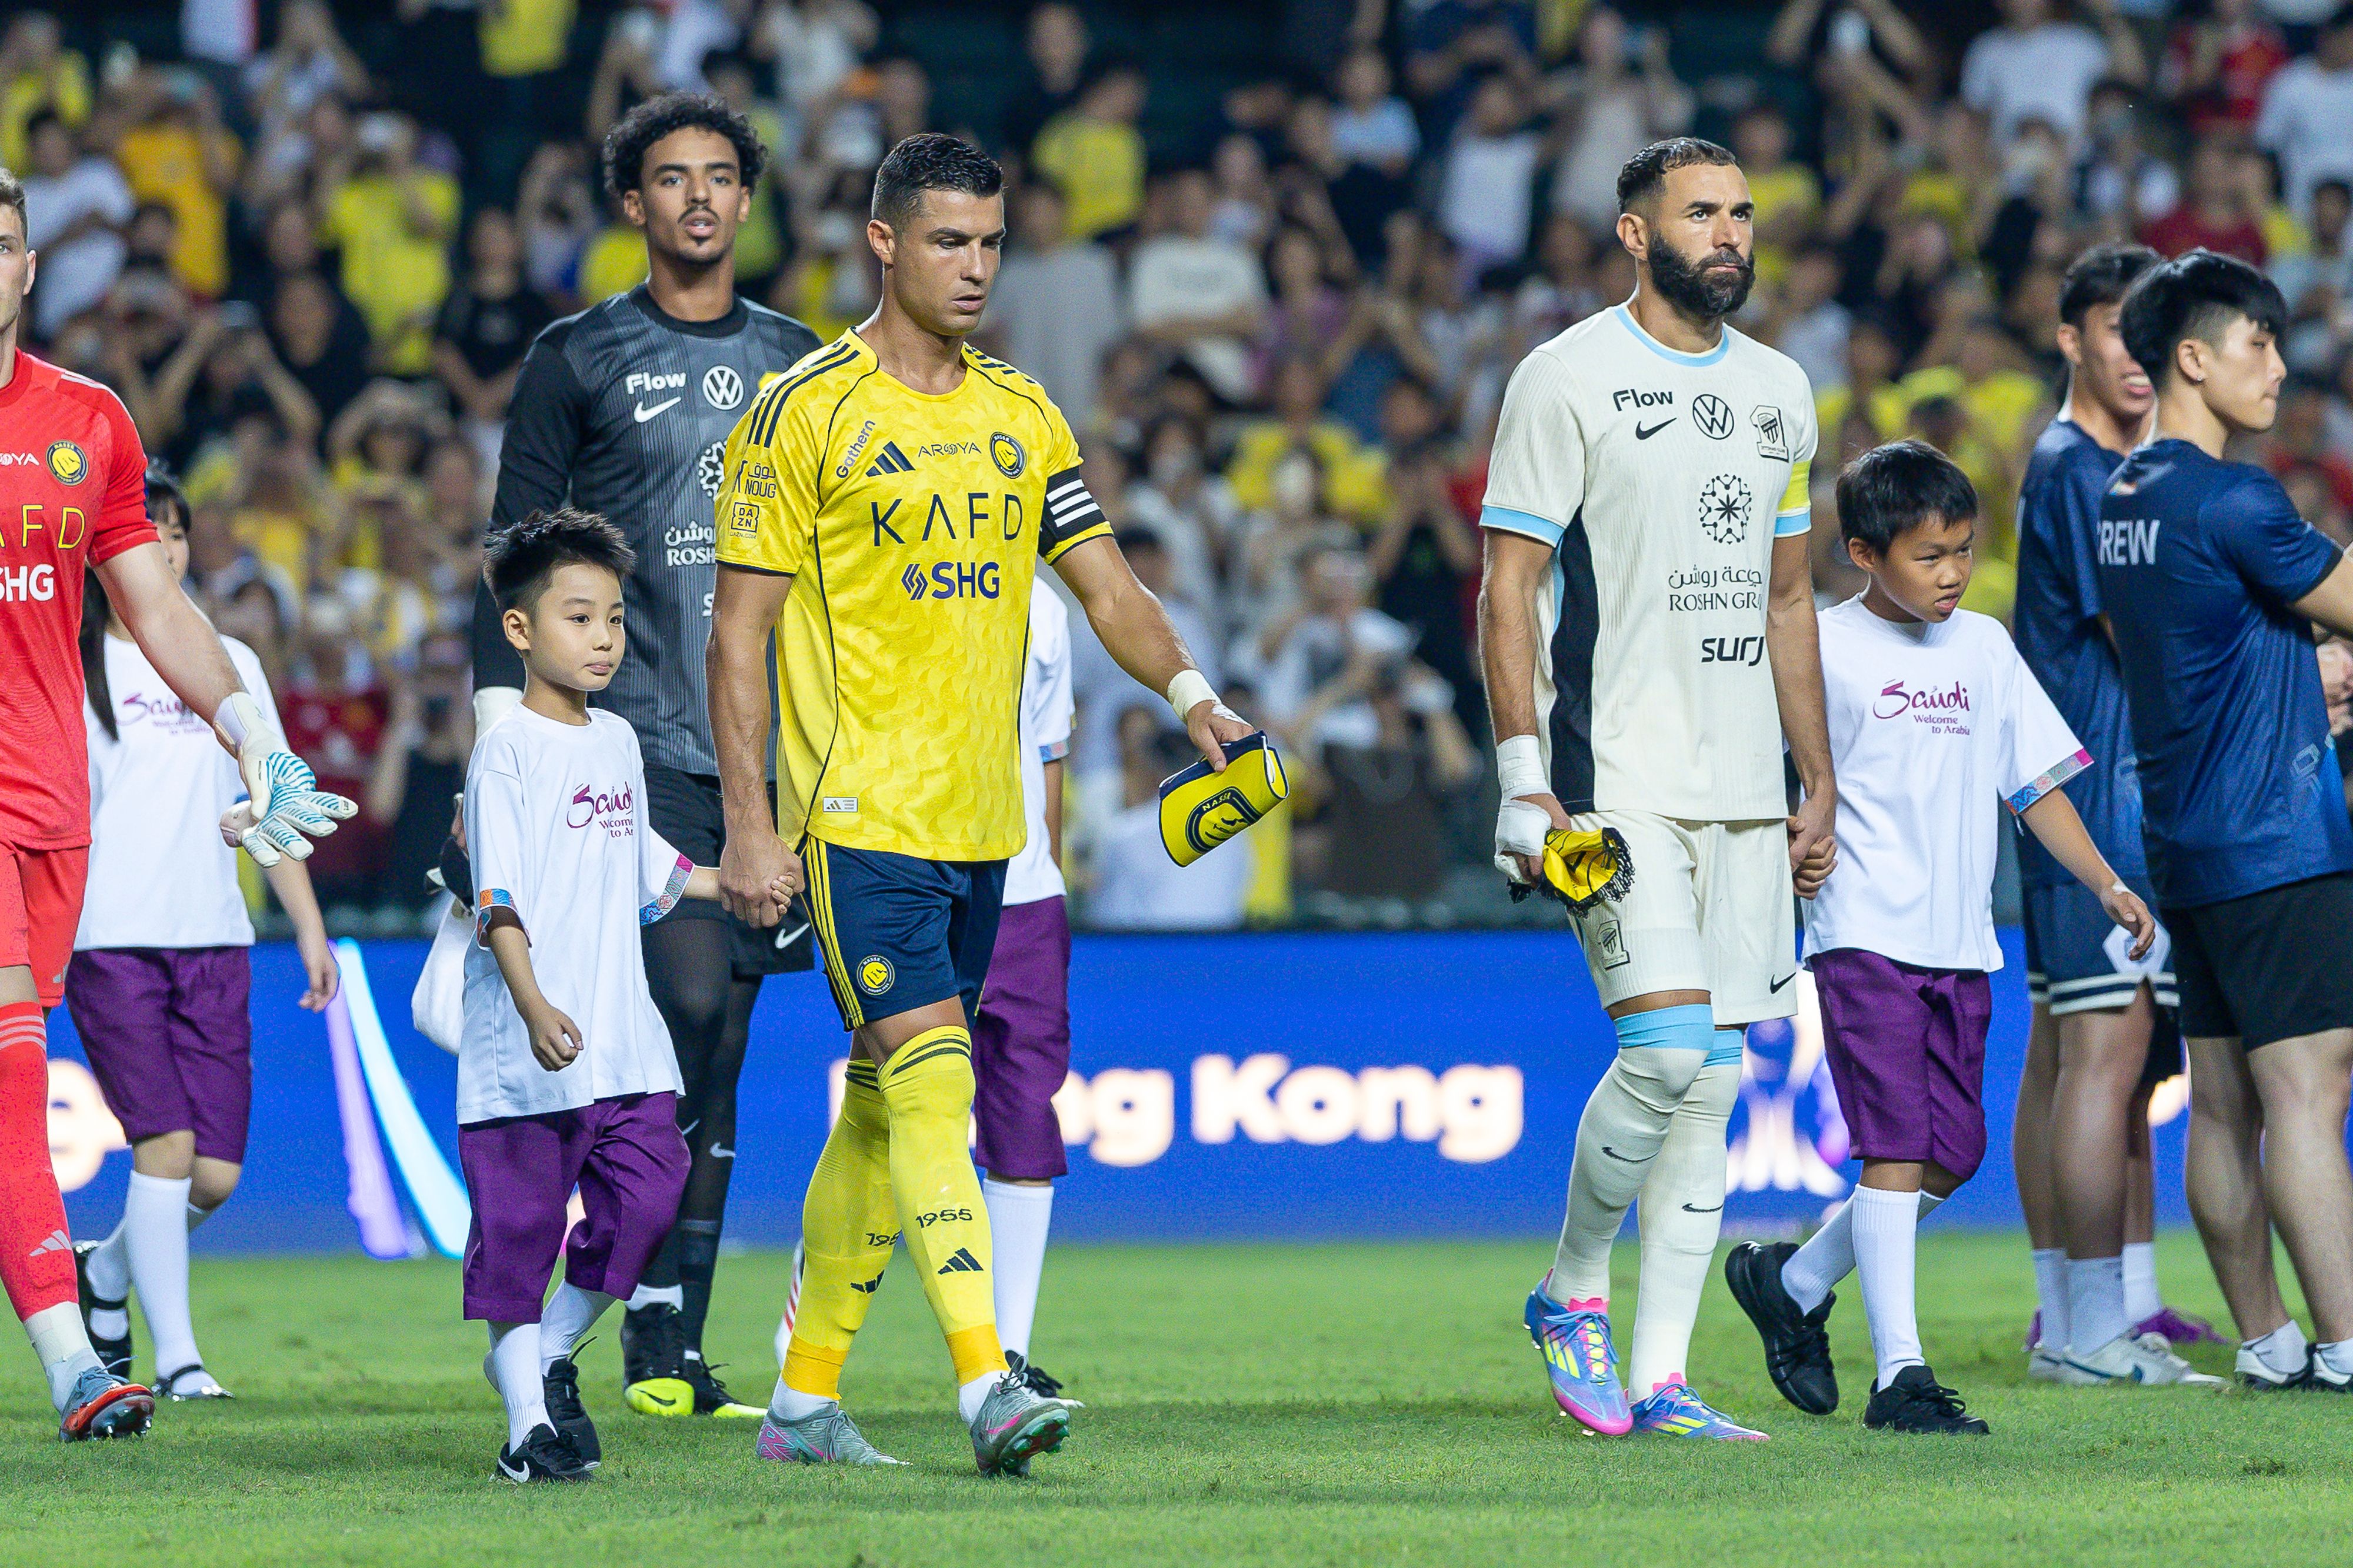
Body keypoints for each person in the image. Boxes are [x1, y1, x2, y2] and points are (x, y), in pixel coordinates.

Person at [706, 132, 1249, 1473]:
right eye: (949, 240)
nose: (976, 266)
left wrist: (1195, 698)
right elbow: (738, 632)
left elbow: (1107, 584)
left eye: (993, 242)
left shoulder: (1022, 412)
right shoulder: (802, 409)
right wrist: (751, 826)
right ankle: (985, 1382)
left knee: (881, 1107)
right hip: (856, 821)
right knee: (938, 1085)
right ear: (883, 242)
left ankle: (800, 1404)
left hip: (984, 829)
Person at [468, 91, 822, 1422]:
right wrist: (500, 739)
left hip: (769, 754)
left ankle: (668, 1327)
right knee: (683, 1007)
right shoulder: (577, 356)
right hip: (635, 750)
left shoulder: (801, 364)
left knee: (724, 1043)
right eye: (671, 177)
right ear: (633, 204)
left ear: (748, 199)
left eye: (720, 176)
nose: (698, 197)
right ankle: (600, 1290)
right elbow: (512, 555)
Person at [1478, 136, 1834, 1441]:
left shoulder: (1781, 390)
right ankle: (1571, 1291)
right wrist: (1525, 781)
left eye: (1741, 212)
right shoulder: (1564, 376)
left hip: (1742, 785)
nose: (1728, 234)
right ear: (1635, 234)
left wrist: (1816, 778)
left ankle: (1665, 1379)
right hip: (1610, 779)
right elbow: (1508, 587)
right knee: (1669, 1049)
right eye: (1699, 214)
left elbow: (1787, 598)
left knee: (1717, 1079)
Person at [0, 164, 347, 1443]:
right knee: (11, 1073)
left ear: (30, 267)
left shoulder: (88, 422)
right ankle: (74, 1363)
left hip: (52, 811)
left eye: (0, 243)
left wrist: (255, 740)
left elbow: (156, 606)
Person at [1724, 440, 2168, 1432]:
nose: (1953, 572)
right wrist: (1789, 848)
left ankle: (1791, 1282)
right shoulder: (1816, 645)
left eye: (1963, 550)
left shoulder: (1985, 647)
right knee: (1893, 1146)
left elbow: (2034, 786)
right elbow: (1757, 777)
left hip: (1961, 942)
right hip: (1860, 931)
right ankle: (1902, 1377)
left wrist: (2106, 881)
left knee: (1954, 1152)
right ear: (1863, 552)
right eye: (1929, 555)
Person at [458, 508, 795, 1484]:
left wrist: (735, 882)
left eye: (613, 618)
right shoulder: (506, 750)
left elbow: (647, 867)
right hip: (530, 1048)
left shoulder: (615, 739)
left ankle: (552, 1348)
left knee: (649, 1201)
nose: (603, 638)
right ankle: (528, 1429)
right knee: (520, 1242)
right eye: (579, 618)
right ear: (520, 630)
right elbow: (497, 897)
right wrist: (532, 1005)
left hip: (622, 1042)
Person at [2100, 248, 2353, 1392]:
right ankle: (2344, 1345)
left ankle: (2266, 1341)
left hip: (2184, 838)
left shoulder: (2121, 499)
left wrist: (2301, 672)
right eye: (2257, 343)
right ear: (2193, 358)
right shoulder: (2236, 496)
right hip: (2275, 837)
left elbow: (2203, 644)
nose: (2277, 366)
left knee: (2221, 1101)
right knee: (2308, 1093)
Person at [66, 465, 338, 1405]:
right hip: (109, 939)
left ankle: (105, 1269)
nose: (165, 548)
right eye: (147, 532)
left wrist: (310, 925)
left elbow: (270, 803)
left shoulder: (233, 664)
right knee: (166, 1147)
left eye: (175, 533)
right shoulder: (73, 662)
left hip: (217, 939)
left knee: (214, 1175)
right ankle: (179, 1360)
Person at [2006, 243, 2220, 1383]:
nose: (2137, 356)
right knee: (2104, 1051)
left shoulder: (2082, 463)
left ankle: (2096, 1309)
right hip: (2103, 801)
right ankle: (2086, 1329)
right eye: (2114, 331)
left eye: (2152, 334)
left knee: (2084, 1054)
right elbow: (2137, 633)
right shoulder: (2080, 471)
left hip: (2077, 794)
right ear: (2069, 339)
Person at [973, 579, 1075, 1397]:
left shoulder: (1045, 605)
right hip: (911, 883)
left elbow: (1048, 752)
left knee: (1024, 1112)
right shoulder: (879, 564)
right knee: (890, 1112)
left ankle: (1007, 1356)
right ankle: (808, 1358)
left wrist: (1050, 877)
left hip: (1025, 896)